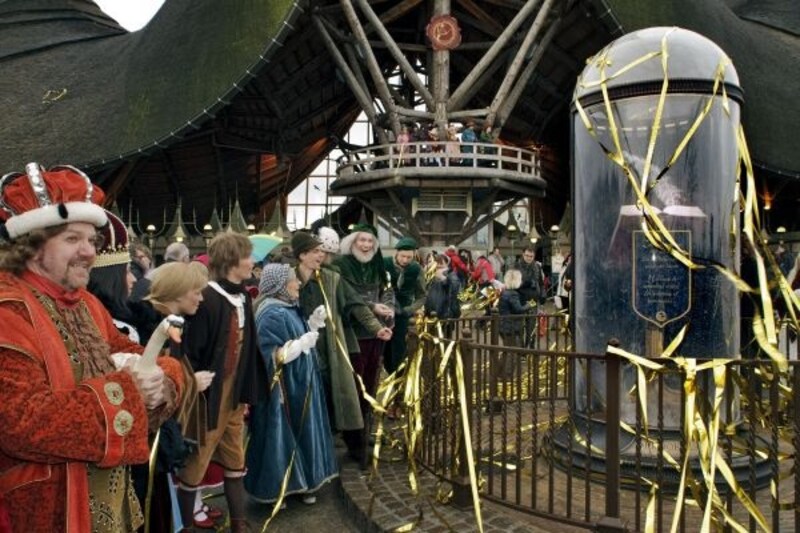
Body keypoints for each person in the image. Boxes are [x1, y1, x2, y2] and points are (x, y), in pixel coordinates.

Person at [0, 163, 183, 532]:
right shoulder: (8, 309)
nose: (88, 252)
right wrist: (130, 392)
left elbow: (138, 354)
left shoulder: (86, 303)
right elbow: (20, 422)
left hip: (108, 507)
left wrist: (161, 381)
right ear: (30, 245)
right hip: (43, 512)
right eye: (72, 239)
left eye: (91, 240)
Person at [177, 232, 267, 533]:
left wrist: (246, 392)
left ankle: (239, 524)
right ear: (232, 261)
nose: (252, 262)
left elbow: (248, 350)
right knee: (196, 463)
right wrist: (194, 390)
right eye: (247, 256)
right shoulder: (208, 299)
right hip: (209, 400)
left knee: (235, 459)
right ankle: (185, 527)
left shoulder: (242, 297)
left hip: (234, 397)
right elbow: (190, 353)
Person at [246, 264, 339, 505]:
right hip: (284, 390)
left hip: (301, 383)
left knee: (304, 431)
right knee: (283, 438)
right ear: (280, 286)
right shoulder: (271, 313)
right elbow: (270, 354)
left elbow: (295, 334)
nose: (298, 284)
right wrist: (300, 345)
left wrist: (312, 324)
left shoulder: (287, 307)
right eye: (293, 280)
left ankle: (305, 482)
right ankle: (281, 488)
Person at [291, 231, 364, 460]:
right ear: (302, 255)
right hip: (297, 351)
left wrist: (375, 325)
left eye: (321, 251)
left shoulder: (330, 278)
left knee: (335, 395)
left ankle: (335, 449)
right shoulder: (288, 279)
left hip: (327, 348)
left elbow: (354, 302)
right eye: (315, 251)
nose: (320, 255)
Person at [332, 224, 393, 463]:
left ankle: (364, 432)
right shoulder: (341, 265)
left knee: (370, 384)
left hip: (375, 334)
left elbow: (387, 291)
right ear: (353, 242)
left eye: (370, 241)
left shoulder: (378, 264)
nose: (366, 245)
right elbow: (348, 300)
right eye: (362, 240)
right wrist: (372, 307)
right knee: (354, 387)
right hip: (352, 334)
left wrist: (389, 308)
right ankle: (353, 439)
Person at [384, 237, 426, 376]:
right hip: (383, 314)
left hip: (403, 316)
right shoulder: (384, 264)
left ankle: (398, 380)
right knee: (383, 351)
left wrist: (409, 310)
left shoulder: (416, 269)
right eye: (403, 256)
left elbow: (422, 296)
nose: (405, 260)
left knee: (399, 352)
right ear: (396, 253)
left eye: (409, 257)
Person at [497, 269, 532, 377]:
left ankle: (500, 372)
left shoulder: (505, 292)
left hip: (504, 325)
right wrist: (529, 305)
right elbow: (518, 309)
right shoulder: (513, 294)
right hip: (511, 327)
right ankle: (507, 375)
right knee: (513, 352)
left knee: (507, 350)